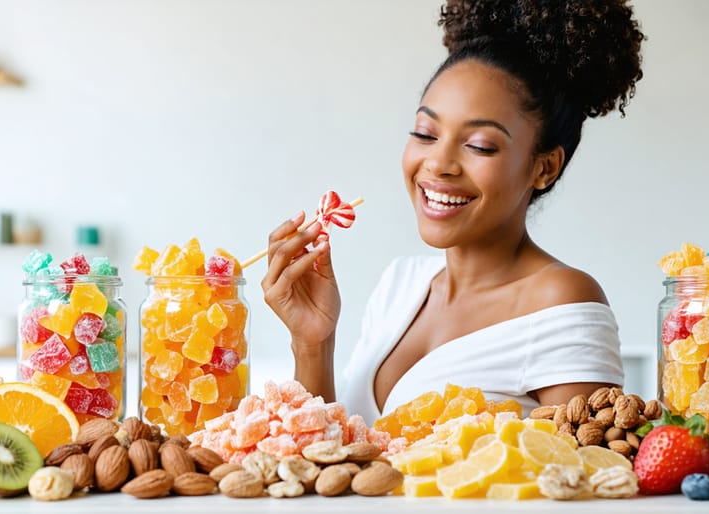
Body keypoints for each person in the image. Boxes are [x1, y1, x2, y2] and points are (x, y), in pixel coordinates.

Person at [261, 0, 645, 424]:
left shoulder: (561, 299)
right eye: (425, 133)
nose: (439, 163)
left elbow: (588, 476)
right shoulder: (399, 285)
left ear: (544, 166)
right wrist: (312, 342)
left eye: (480, 145)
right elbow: (329, 467)